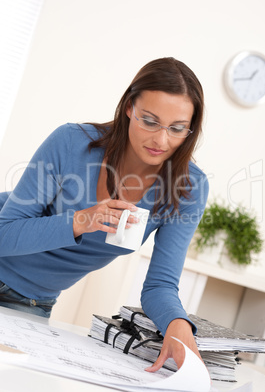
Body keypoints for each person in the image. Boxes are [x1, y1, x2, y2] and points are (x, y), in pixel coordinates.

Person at [0, 57, 209, 372]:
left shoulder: (188, 187)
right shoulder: (71, 142)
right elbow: (5, 234)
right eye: (149, 121)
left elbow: (160, 285)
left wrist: (177, 323)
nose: (161, 140)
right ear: (129, 107)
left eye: (177, 128)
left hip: (30, 301)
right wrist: (81, 220)